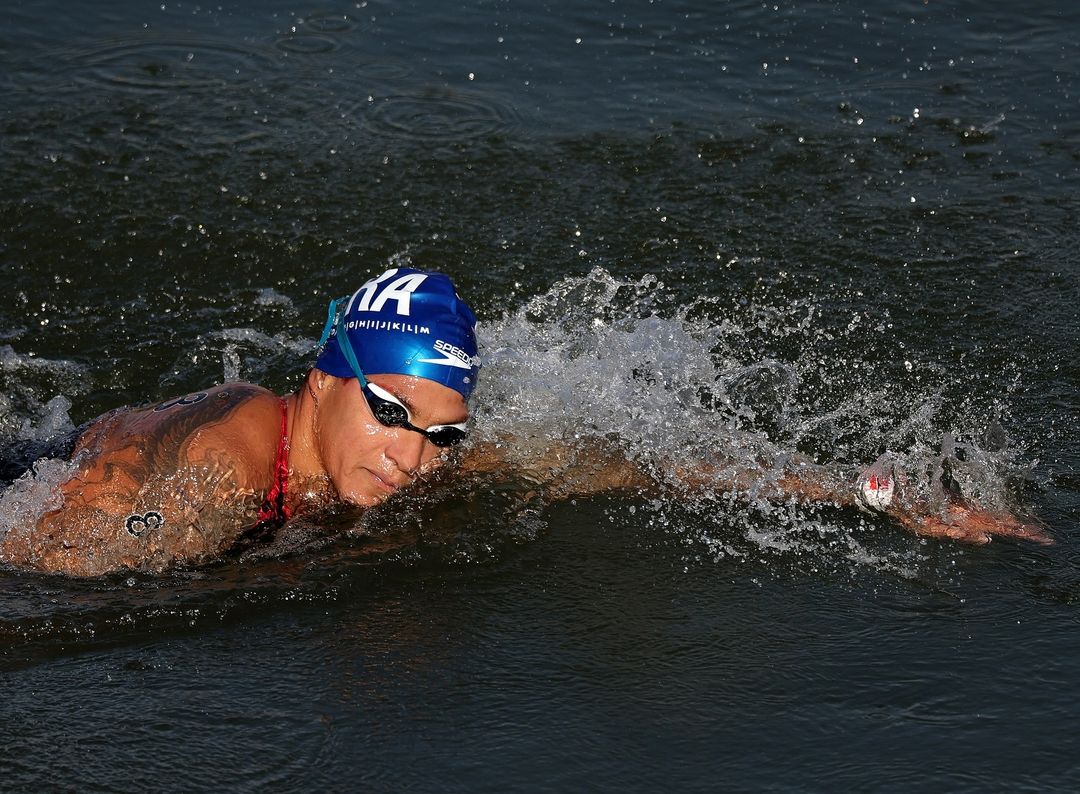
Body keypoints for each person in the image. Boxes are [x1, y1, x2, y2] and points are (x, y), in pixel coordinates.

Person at [0, 268, 1050, 577]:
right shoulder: (209, 478)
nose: (415, 457)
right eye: (393, 413)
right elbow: (46, 555)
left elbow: (634, 462)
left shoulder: (416, 456)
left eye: (443, 432)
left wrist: (875, 495)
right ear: (323, 376)